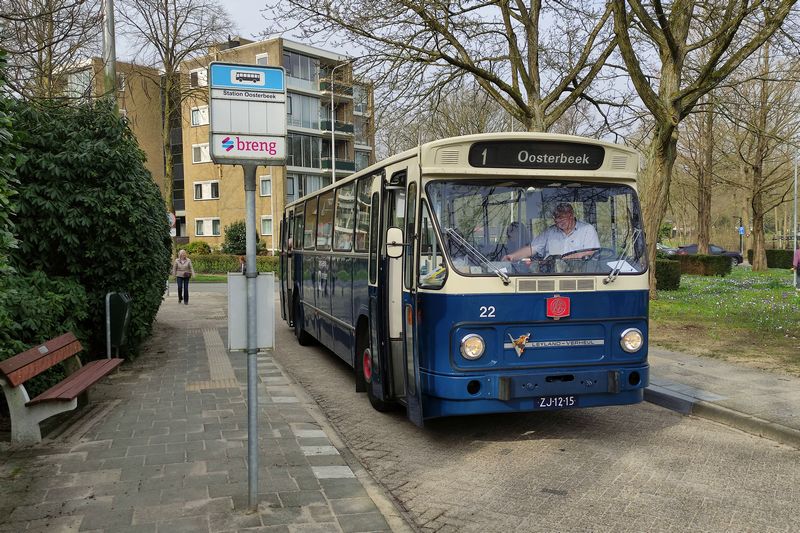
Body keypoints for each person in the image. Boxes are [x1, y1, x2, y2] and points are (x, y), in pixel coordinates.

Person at [502, 203, 600, 261]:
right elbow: (532, 249)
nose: (558, 222)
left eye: (561, 218)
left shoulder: (587, 230)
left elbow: (591, 252)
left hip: (581, 275)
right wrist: (512, 256)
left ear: (571, 216)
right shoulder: (550, 232)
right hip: (551, 274)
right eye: (556, 219)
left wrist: (563, 260)